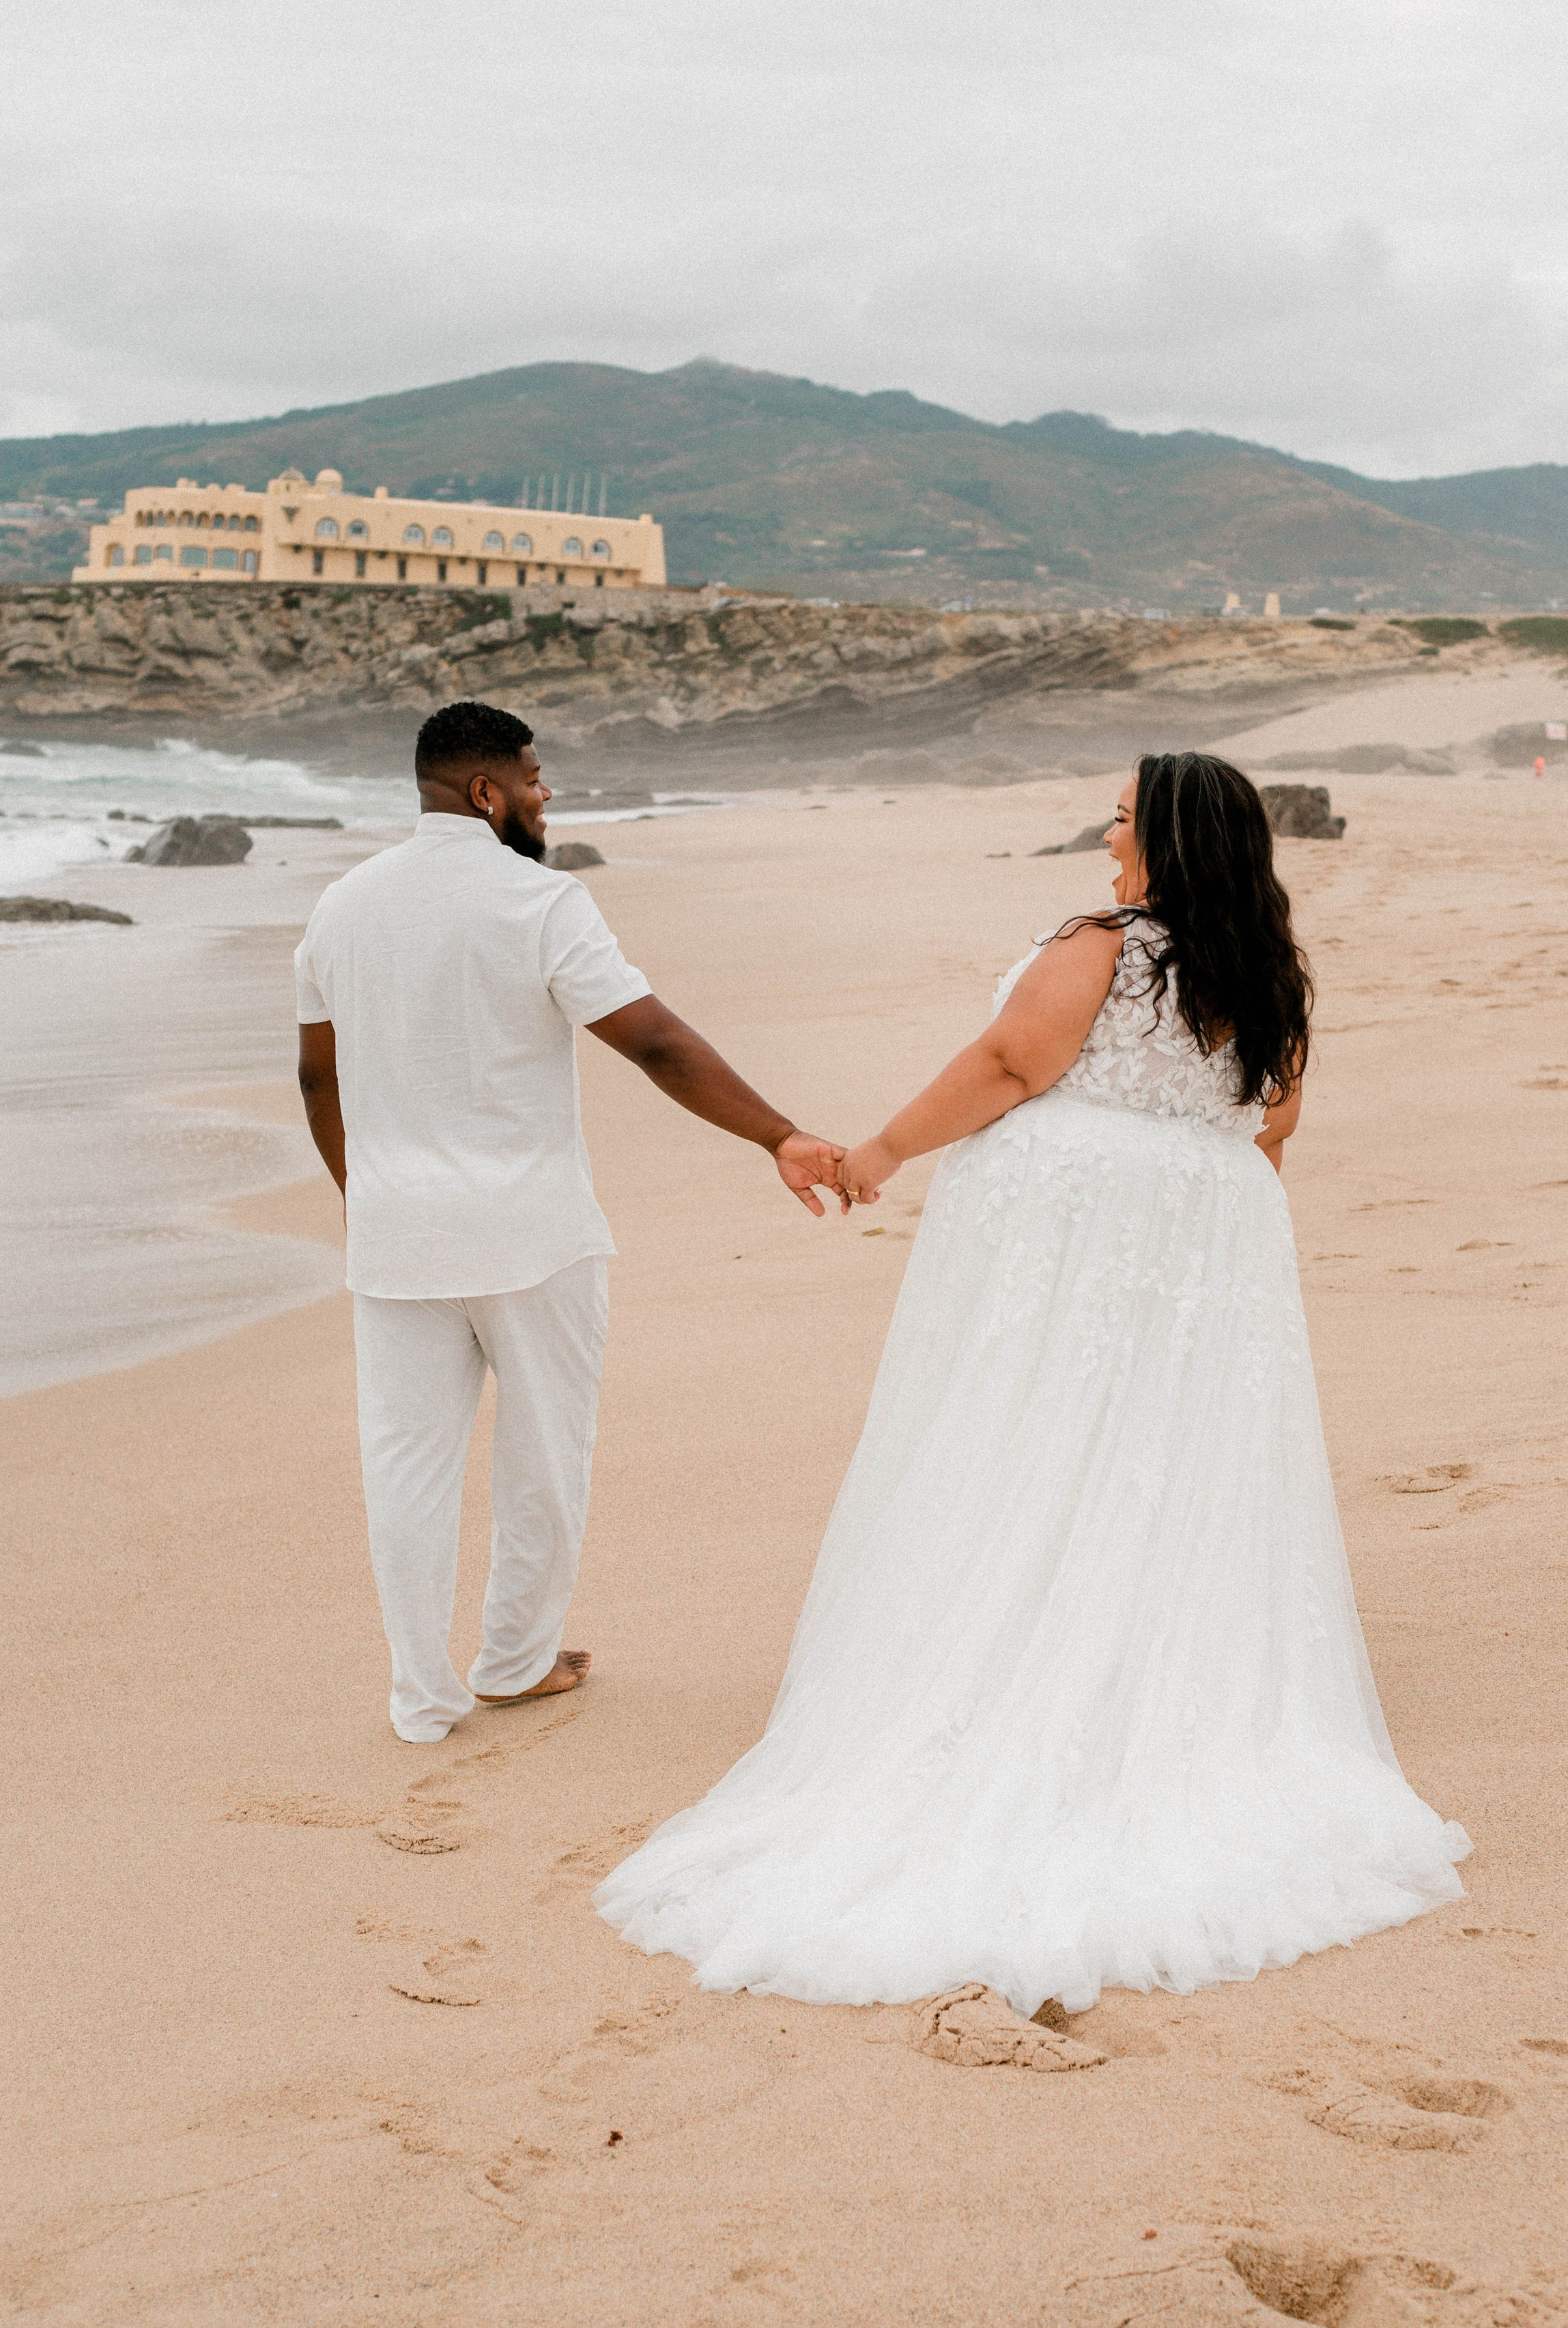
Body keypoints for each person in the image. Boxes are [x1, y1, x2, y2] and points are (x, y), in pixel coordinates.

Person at [597, 752, 1471, 2013]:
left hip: (1081, 1241)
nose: (1105, 835)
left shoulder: (1109, 941)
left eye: (1121, 819)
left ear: (1165, 839)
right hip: (1203, 1235)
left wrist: (882, 1150)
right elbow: (1270, 1132)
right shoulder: (1269, 969)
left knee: (1032, 1440)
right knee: (1159, 1459)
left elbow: (1014, 1063)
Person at [295, 700, 846, 1746]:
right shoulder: (540, 904)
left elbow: (319, 1079)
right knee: (545, 1455)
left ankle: (420, 1697)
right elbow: (659, 1046)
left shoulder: (340, 907)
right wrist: (778, 1135)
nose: (548, 795)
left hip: (397, 1237)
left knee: (405, 1470)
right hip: (529, 1234)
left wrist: (367, 1201)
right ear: (487, 791)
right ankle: (513, 1661)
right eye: (537, 778)